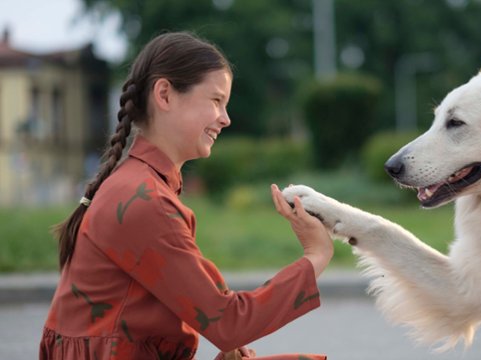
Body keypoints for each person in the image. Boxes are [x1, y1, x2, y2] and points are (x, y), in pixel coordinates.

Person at [39, 32, 334, 360]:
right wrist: (316, 254)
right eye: (215, 101)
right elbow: (230, 323)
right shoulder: (144, 200)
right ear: (164, 94)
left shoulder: (140, 185)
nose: (226, 118)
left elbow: (216, 315)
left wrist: (231, 343)